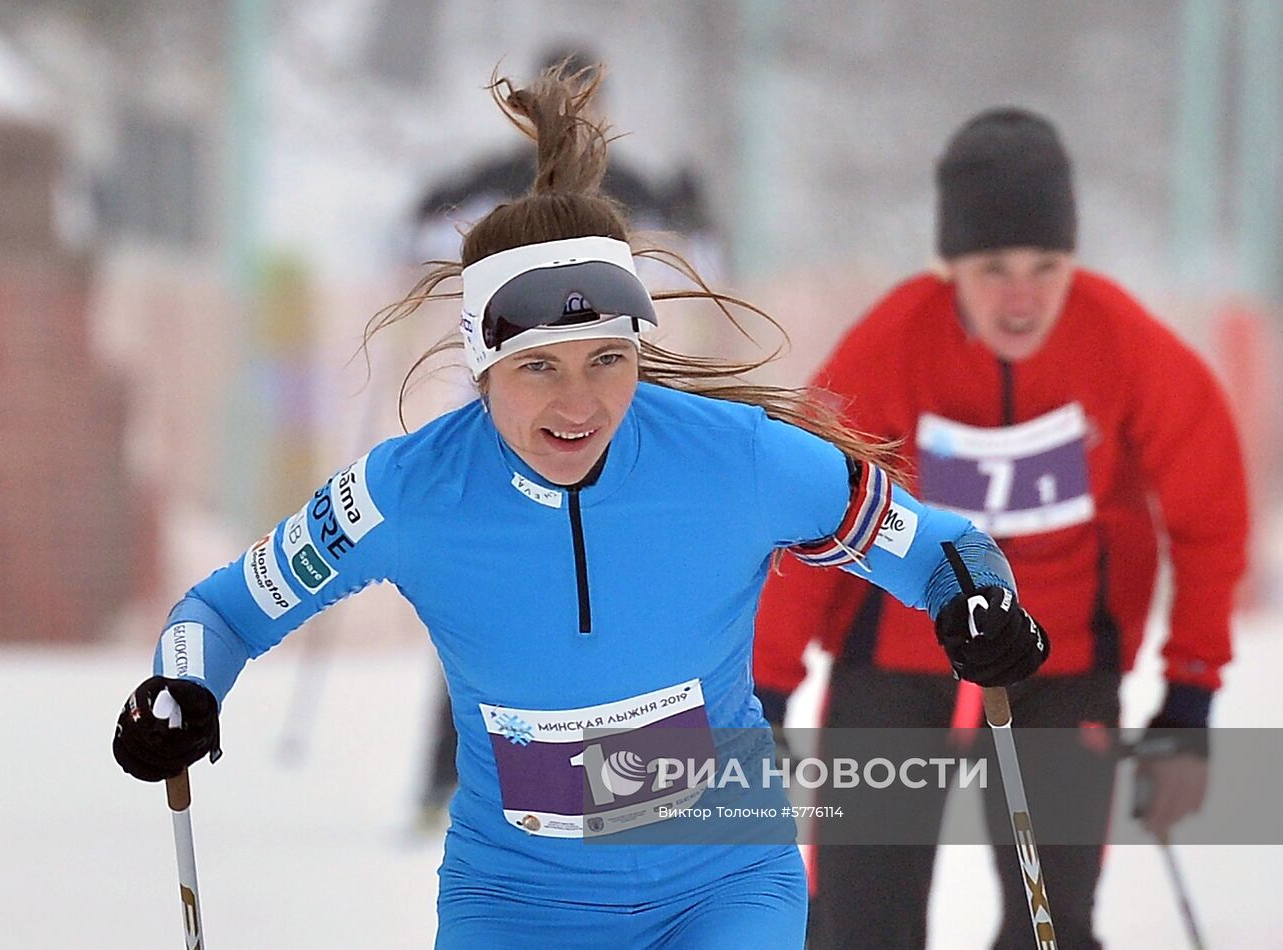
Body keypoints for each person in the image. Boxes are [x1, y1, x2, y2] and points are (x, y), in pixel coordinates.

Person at [112, 67, 1050, 949]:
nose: (579, 404)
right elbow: (223, 611)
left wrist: (978, 601)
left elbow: (939, 549)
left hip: (723, 887)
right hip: (516, 902)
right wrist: (183, 687)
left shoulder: (741, 461)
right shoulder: (408, 492)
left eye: (608, 359)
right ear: (482, 369)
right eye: (537, 369)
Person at [753, 108, 1249, 949]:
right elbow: (806, 510)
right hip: (898, 657)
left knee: (1051, 925)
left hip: (1063, 660)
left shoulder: (1123, 345)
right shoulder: (894, 343)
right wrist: (762, 692)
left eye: (1046, 266)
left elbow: (1209, 512)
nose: (1022, 296)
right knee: (856, 922)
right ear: (951, 266)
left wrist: (1191, 687)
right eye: (994, 268)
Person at [403, 45, 722, 828]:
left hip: (596, 419)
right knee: (495, 593)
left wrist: (694, 215)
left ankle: (606, 779)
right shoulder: (497, 178)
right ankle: (458, 777)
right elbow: (417, 252)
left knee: (578, 593)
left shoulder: (627, 185)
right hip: (497, 417)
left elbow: (699, 265)